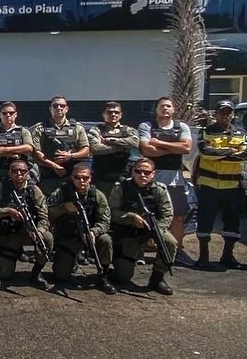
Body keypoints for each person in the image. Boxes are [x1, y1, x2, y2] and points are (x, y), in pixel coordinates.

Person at [194, 100, 247, 269]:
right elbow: (205, 152)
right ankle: (203, 257)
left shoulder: (241, 133)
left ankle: (228, 255)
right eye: (222, 112)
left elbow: (245, 155)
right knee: (205, 221)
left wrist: (218, 154)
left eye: (228, 112)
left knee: (232, 222)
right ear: (215, 114)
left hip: (232, 186)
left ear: (233, 115)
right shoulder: (206, 132)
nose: (225, 116)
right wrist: (231, 151)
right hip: (209, 184)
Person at [109, 158, 177, 295]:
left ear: (153, 173)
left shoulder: (160, 190)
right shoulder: (121, 187)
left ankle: (157, 279)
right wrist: (131, 217)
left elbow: (167, 214)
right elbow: (111, 211)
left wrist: (156, 233)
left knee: (170, 242)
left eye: (147, 172)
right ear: (132, 172)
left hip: (152, 228)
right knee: (122, 278)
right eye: (138, 171)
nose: (142, 175)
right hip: (128, 232)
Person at [138, 96, 193, 266]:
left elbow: (186, 148)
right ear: (156, 109)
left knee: (177, 217)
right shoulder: (146, 126)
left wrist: (159, 143)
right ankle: (140, 251)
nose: (165, 108)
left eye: (169, 106)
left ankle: (177, 251)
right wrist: (174, 148)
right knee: (146, 216)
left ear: (174, 109)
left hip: (175, 180)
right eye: (162, 106)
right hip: (150, 179)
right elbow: (147, 150)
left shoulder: (181, 127)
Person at [47, 164, 116, 294]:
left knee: (106, 240)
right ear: (72, 177)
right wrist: (64, 208)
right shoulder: (61, 192)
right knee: (61, 276)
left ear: (90, 178)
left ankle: (103, 276)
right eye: (77, 177)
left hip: (90, 234)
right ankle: (71, 262)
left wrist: (94, 232)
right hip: (68, 235)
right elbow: (47, 212)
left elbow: (105, 221)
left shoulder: (97, 195)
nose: (81, 181)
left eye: (85, 178)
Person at [0, 159, 54, 289]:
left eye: (22, 171)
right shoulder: (2, 187)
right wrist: (8, 211)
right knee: (4, 275)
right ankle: (2, 259)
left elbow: (44, 217)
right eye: (15, 171)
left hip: (30, 232)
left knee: (47, 238)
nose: (19, 174)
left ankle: (36, 273)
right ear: (9, 173)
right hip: (9, 234)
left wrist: (39, 231)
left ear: (27, 173)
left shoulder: (34, 190)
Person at [0, 101, 34, 260]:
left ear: (16, 114)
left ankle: (18, 248)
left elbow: (29, 148)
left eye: (11, 113)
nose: (8, 116)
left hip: (18, 178)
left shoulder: (23, 131)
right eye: (5, 113)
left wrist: (3, 150)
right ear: (0, 115)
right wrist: (10, 153)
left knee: (19, 210)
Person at [32, 96, 89, 197]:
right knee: (49, 204)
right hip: (48, 177)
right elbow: (36, 153)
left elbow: (86, 150)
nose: (59, 108)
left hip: (72, 178)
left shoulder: (77, 127)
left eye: (62, 106)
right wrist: (54, 166)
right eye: (55, 106)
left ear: (66, 109)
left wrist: (70, 156)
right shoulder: (40, 128)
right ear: (50, 109)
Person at [88, 101, 139, 197]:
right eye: (109, 112)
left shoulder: (129, 130)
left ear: (120, 115)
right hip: (101, 178)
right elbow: (96, 148)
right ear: (103, 114)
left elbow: (134, 143)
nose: (113, 114)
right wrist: (122, 147)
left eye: (116, 112)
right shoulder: (96, 130)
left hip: (122, 177)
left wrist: (110, 140)